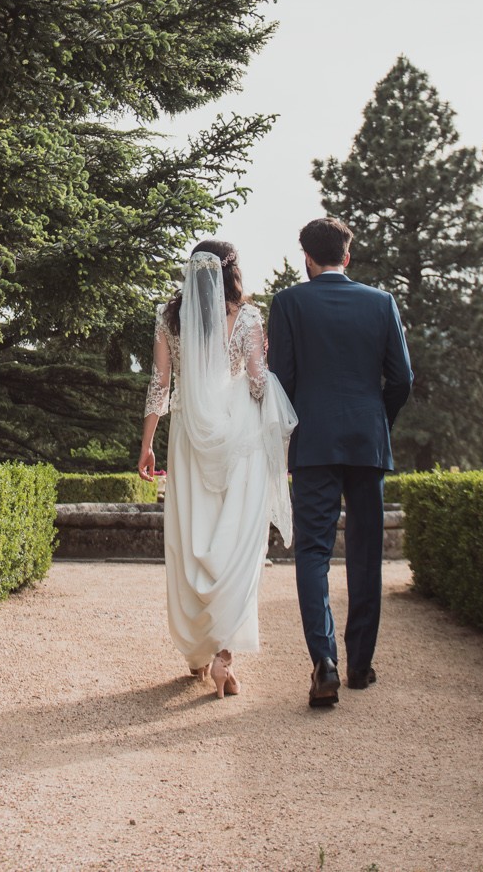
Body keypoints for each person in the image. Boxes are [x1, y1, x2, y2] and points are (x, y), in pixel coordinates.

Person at [138, 241, 297, 697]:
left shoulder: (170, 318)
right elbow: (255, 381)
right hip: (239, 438)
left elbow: (159, 385)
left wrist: (147, 444)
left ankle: (200, 650)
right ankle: (225, 656)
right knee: (238, 542)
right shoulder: (247, 316)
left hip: (189, 438)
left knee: (193, 539)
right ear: (233, 272)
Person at [265, 216, 414, 707]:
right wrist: (378, 419)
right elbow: (402, 378)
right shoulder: (381, 303)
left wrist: (289, 436)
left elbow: (279, 381)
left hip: (313, 444)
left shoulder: (287, 304)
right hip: (367, 443)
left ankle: (322, 660)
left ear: (306, 257)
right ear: (347, 256)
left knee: (312, 551)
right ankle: (360, 665)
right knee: (366, 553)